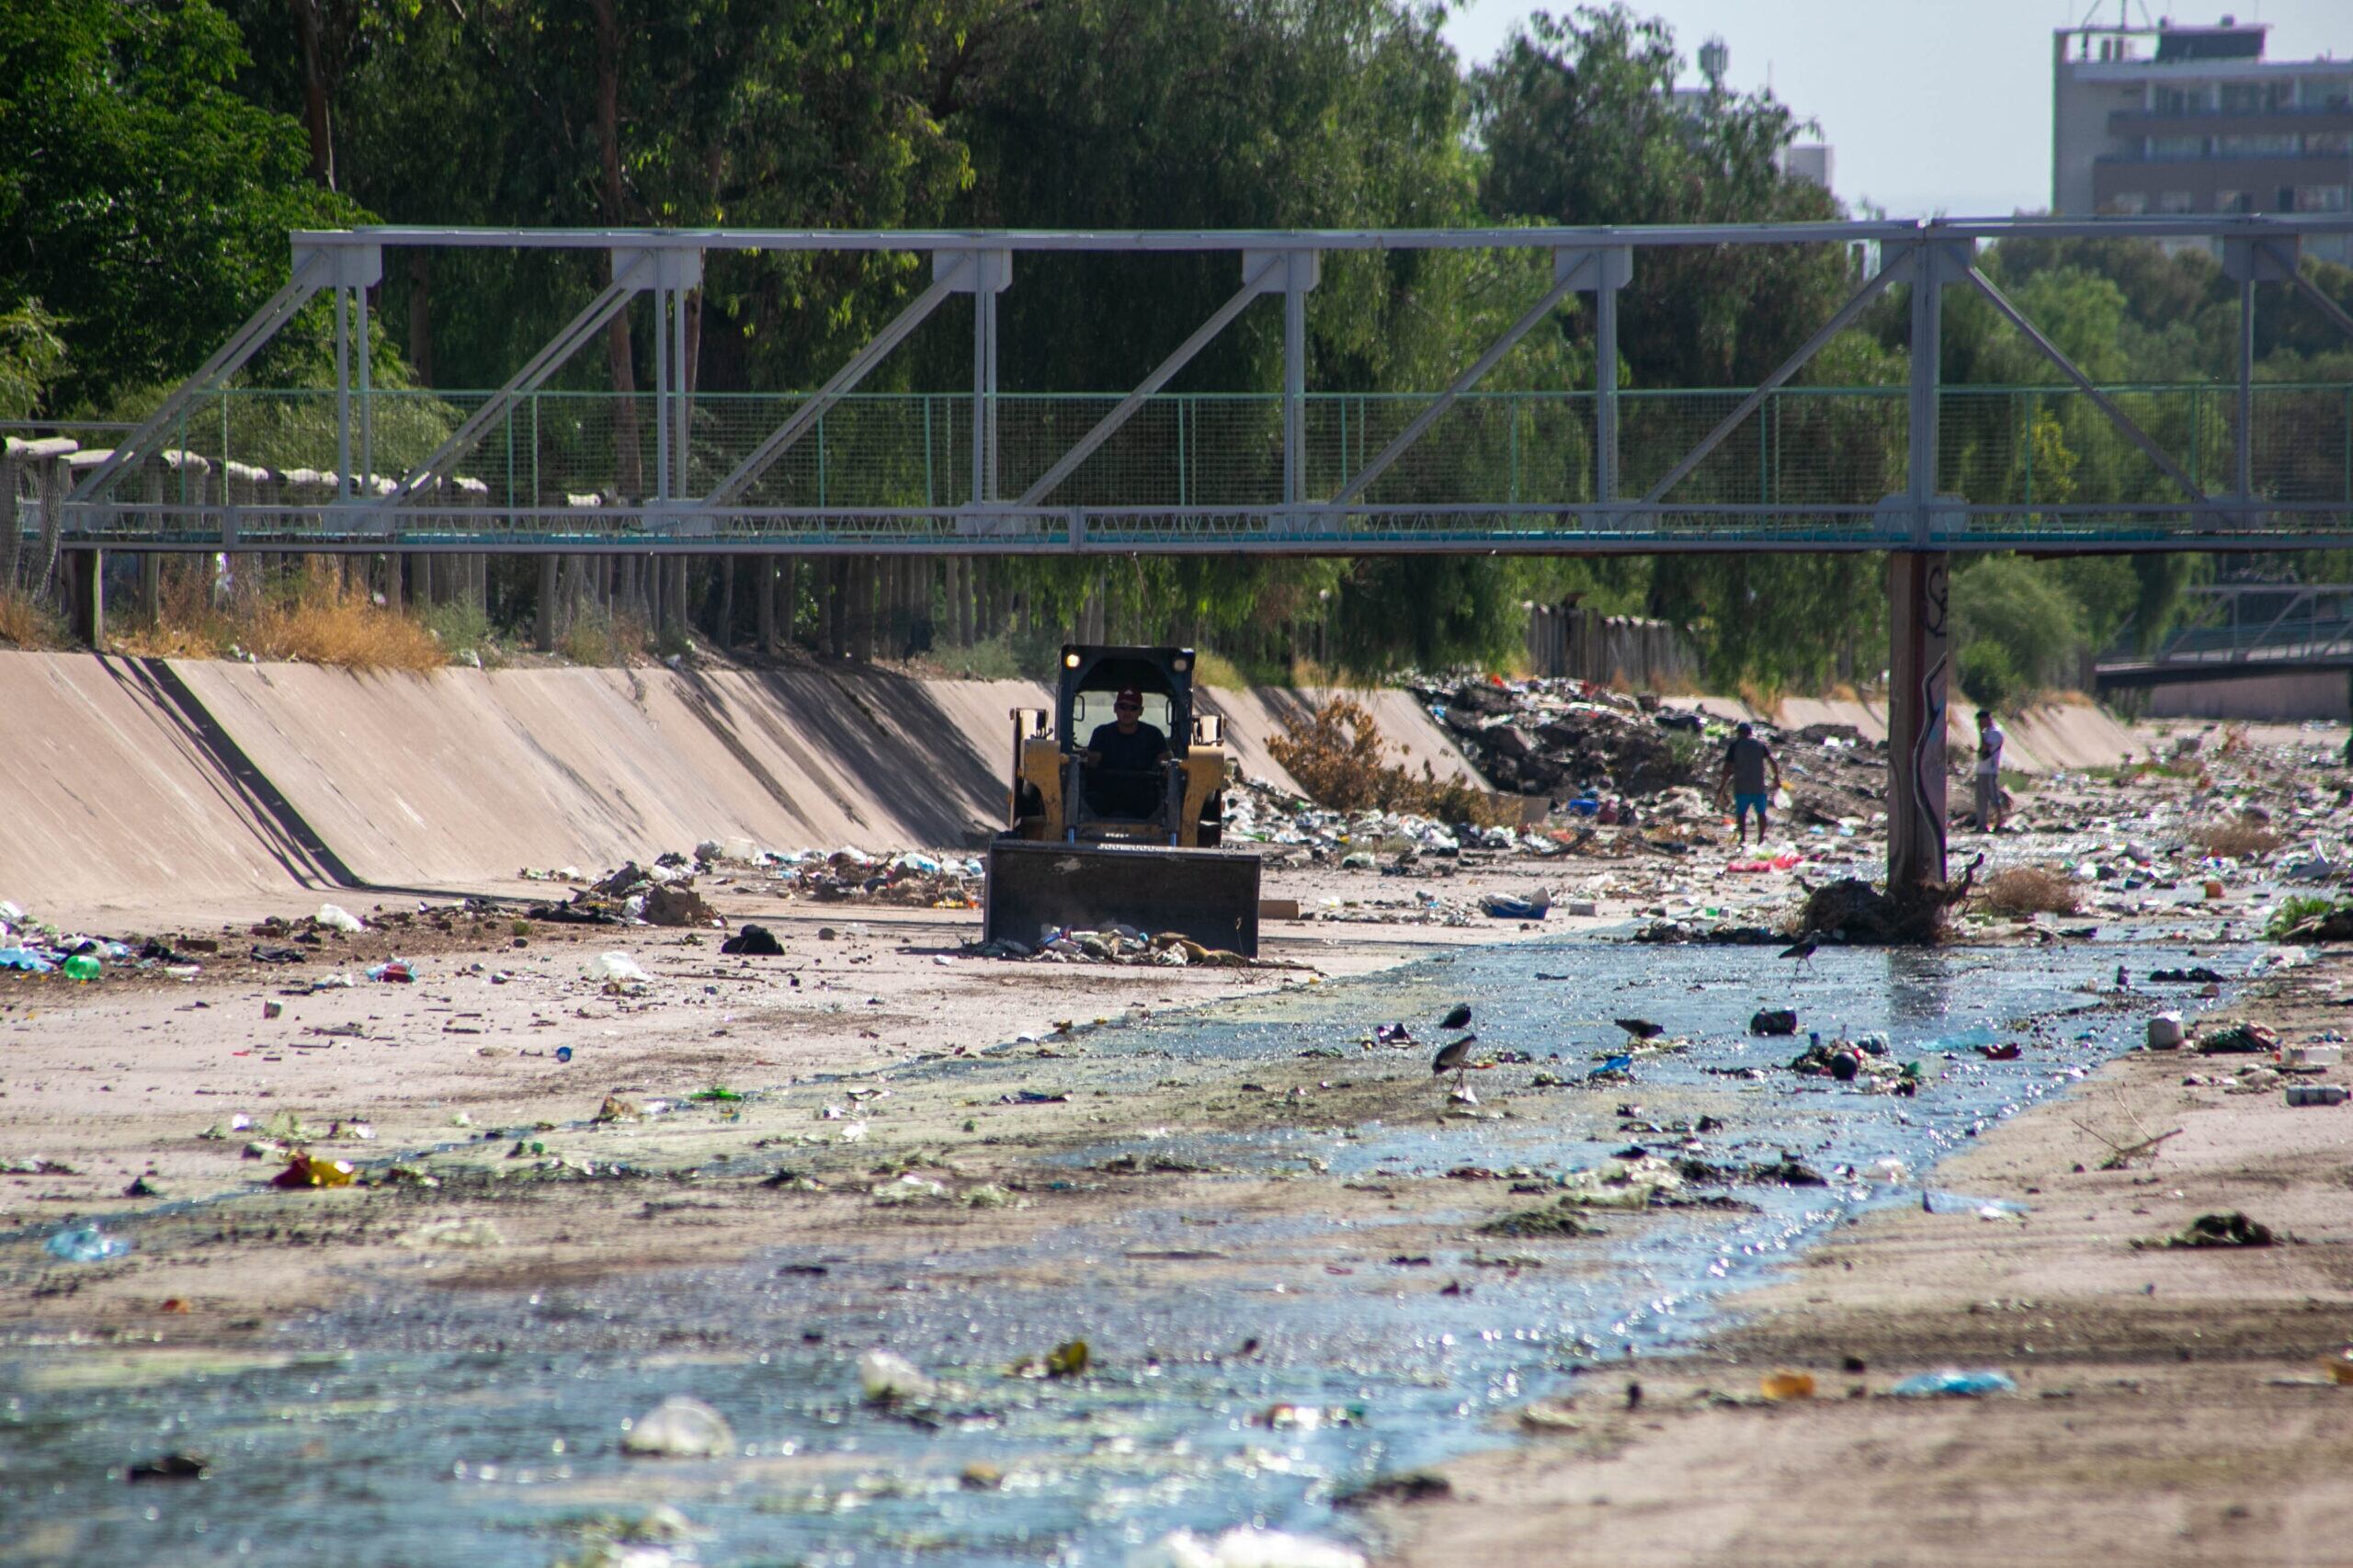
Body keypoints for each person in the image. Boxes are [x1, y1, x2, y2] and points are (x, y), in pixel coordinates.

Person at [1079, 687, 1171, 818]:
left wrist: (1168, 770)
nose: (1127, 712)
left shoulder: (1154, 735)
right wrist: (1085, 757)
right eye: (1123, 706)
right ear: (1115, 708)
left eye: (1133, 708)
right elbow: (1092, 762)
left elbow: (1168, 762)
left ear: (1141, 711)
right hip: (1105, 797)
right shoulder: (1101, 733)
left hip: (1144, 800)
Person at [1715, 722, 1783, 847]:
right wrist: (1776, 778)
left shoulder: (1735, 746)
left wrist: (1722, 786)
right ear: (1750, 733)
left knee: (1741, 813)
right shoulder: (1760, 745)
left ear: (1739, 733)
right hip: (1758, 785)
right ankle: (1761, 839)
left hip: (1742, 785)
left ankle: (1743, 839)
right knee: (1761, 813)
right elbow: (1772, 762)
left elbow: (1726, 768)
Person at [1974, 708, 2007, 832]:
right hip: (1982, 769)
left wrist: (1980, 732)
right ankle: (1981, 825)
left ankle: (1999, 823)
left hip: (1990, 770)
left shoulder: (1995, 733)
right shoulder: (1987, 732)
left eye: (1981, 721)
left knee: (1993, 797)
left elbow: (1985, 748)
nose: (1980, 724)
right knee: (1981, 799)